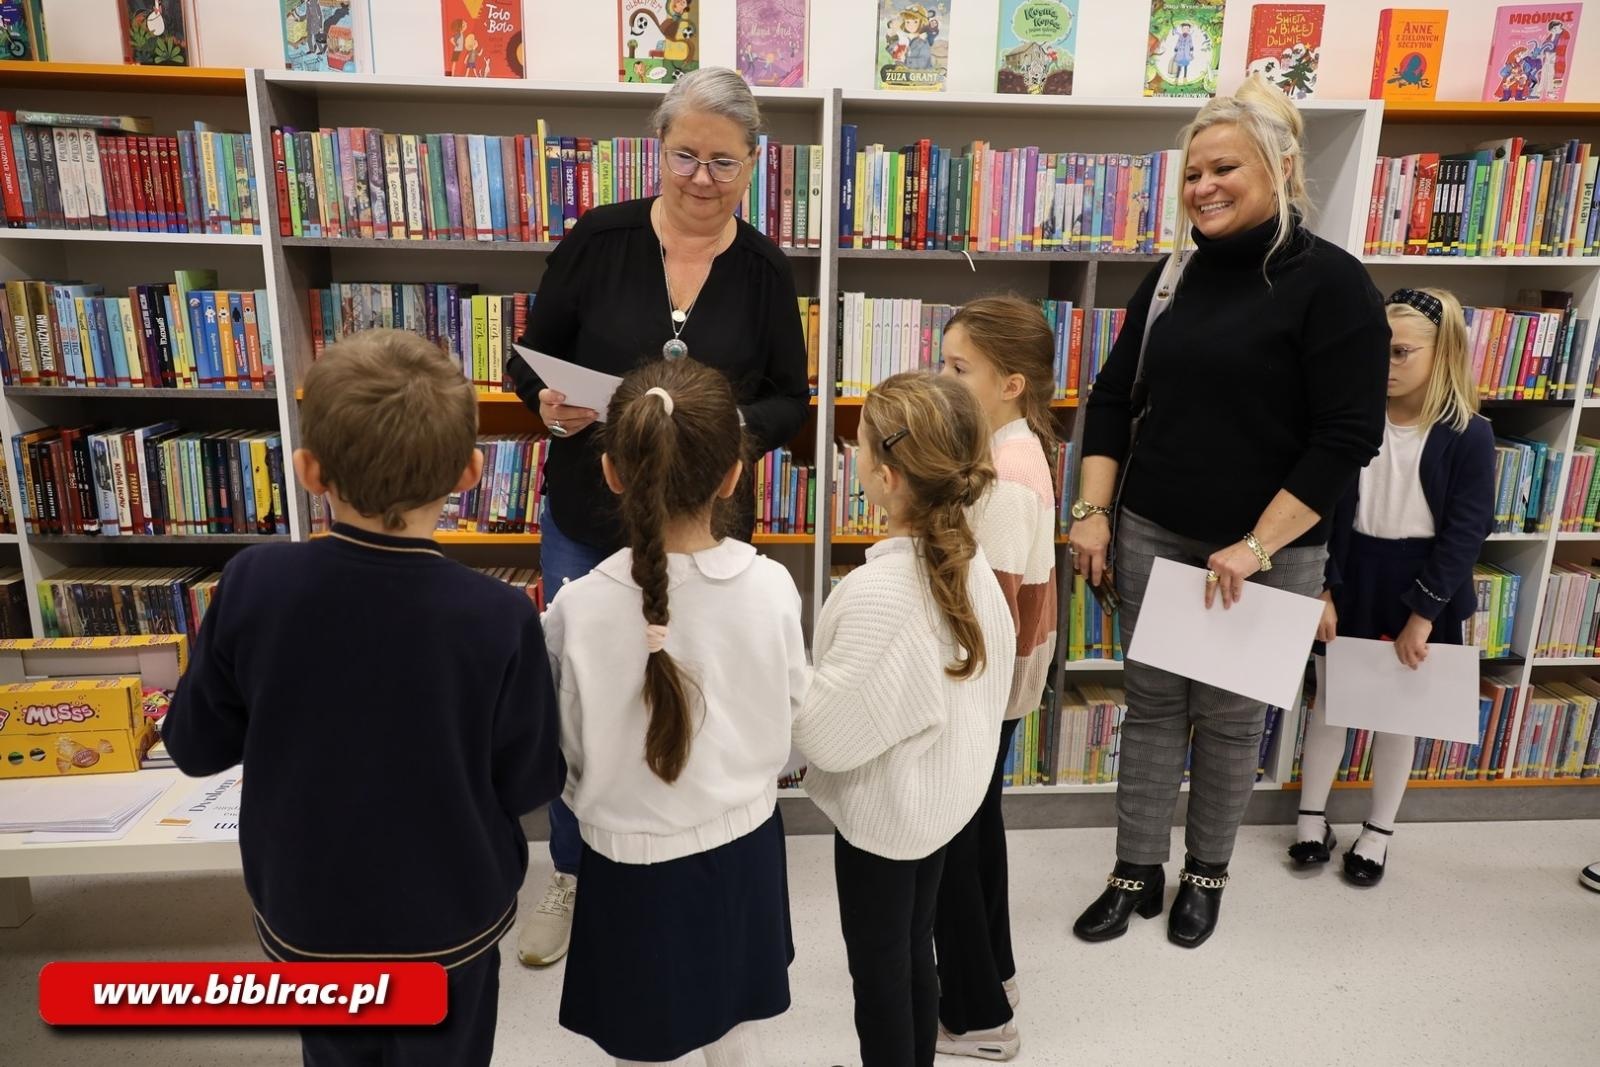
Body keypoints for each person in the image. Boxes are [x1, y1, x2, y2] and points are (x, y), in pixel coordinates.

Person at [162, 330, 564, 1066]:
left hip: (310, 915)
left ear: (308, 470)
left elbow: (194, 745)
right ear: (472, 471)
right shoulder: (500, 615)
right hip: (450, 920)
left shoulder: (253, 583)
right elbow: (530, 781)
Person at [1067, 75, 1388, 949]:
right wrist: (1093, 508)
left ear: (1281, 169)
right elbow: (1111, 397)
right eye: (1192, 172)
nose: (1203, 187)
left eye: (1224, 169)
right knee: (1151, 707)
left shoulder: (1334, 284)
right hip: (1154, 530)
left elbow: (1345, 438)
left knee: (1233, 718)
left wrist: (1254, 545)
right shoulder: (1173, 276)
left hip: (1273, 550)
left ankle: (1206, 875)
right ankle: (1135, 871)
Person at [507, 66, 810, 967]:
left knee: (699, 694)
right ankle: (574, 870)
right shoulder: (597, 239)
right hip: (589, 514)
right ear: (659, 149)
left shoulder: (765, 269)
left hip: (704, 526)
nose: (701, 179)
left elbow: (790, 397)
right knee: (583, 704)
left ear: (754, 163)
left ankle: (697, 856)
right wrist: (544, 403)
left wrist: (717, 435)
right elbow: (532, 359)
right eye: (685, 156)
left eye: (723, 162)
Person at [548, 359, 806, 1066]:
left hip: (627, 864)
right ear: (734, 475)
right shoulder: (772, 587)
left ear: (611, 473)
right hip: (745, 845)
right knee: (738, 1022)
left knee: (640, 1037)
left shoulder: (576, 609)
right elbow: (791, 721)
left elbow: (567, 755)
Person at [793, 371, 1015, 1067]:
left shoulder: (880, 595)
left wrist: (789, 679)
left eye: (856, 444)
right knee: (915, 948)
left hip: (887, 820)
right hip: (941, 805)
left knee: (881, 974)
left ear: (885, 477)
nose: (852, 455)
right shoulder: (972, 564)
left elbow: (825, 737)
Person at [1292, 288, 1494, 887]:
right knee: (1331, 703)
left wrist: (1423, 615)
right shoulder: (1354, 420)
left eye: (1401, 352)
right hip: (1354, 573)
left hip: (1422, 585)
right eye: (1379, 349)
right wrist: (1325, 588)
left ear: (1443, 353)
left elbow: (1466, 532)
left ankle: (1378, 832)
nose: (1386, 364)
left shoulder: (1469, 433)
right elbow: (1326, 509)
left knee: (1397, 715)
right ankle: (1310, 820)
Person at [932, 297, 1059, 1061]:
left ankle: (977, 1016)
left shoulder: (1008, 473)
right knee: (975, 828)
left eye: (959, 369)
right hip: (991, 679)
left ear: (1011, 384)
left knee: (950, 840)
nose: (944, 380)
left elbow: (997, 607)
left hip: (983, 684)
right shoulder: (1006, 449)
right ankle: (994, 975)